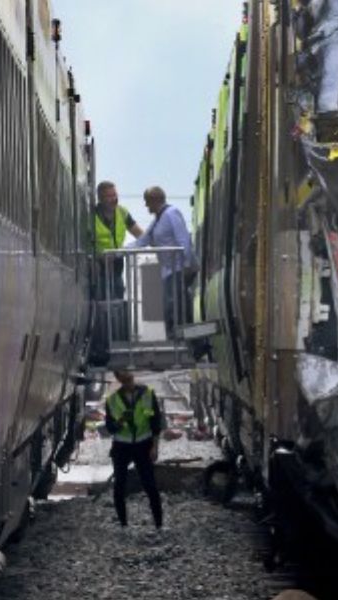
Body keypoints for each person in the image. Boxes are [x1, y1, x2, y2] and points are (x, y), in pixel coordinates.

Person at [129, 186, 199, 342]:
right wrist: (118, 252)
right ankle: (178, 343)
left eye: (147, 202)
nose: (146, 206)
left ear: (155, 200)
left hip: (178, 269)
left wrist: (187, 265)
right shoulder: (158, 219)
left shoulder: (172, 214)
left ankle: (185, 345)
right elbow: (143, 241)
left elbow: (183, 241)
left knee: (175, 309)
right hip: (168, 272)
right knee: (170, 309)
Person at [91, 181, 144, 363]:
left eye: (114, 195)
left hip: (116, 267)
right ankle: (103, 345)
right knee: (102, 306)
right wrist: (98, 257)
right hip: (98, 269)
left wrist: (139, 245)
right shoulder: (91, 216)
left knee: (118, 302)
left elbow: (139, 233)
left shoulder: (122, 212)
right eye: (109, 196)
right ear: (100, 198)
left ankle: (119, 341)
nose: (113, 199)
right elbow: (83, 242)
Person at [104, 370, 165, 529]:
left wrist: (155, 446)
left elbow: (155, 421)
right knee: (119, 487)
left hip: (143, 444)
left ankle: (159, 524)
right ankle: (123, 524)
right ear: (119, 381)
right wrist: (121, 421)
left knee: (150, 485)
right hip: (121, 447)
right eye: (124, 380)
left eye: (129, 379)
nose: (128, 383)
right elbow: (110, 428)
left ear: (133, 378)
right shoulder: (112, 400)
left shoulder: (147, 394)